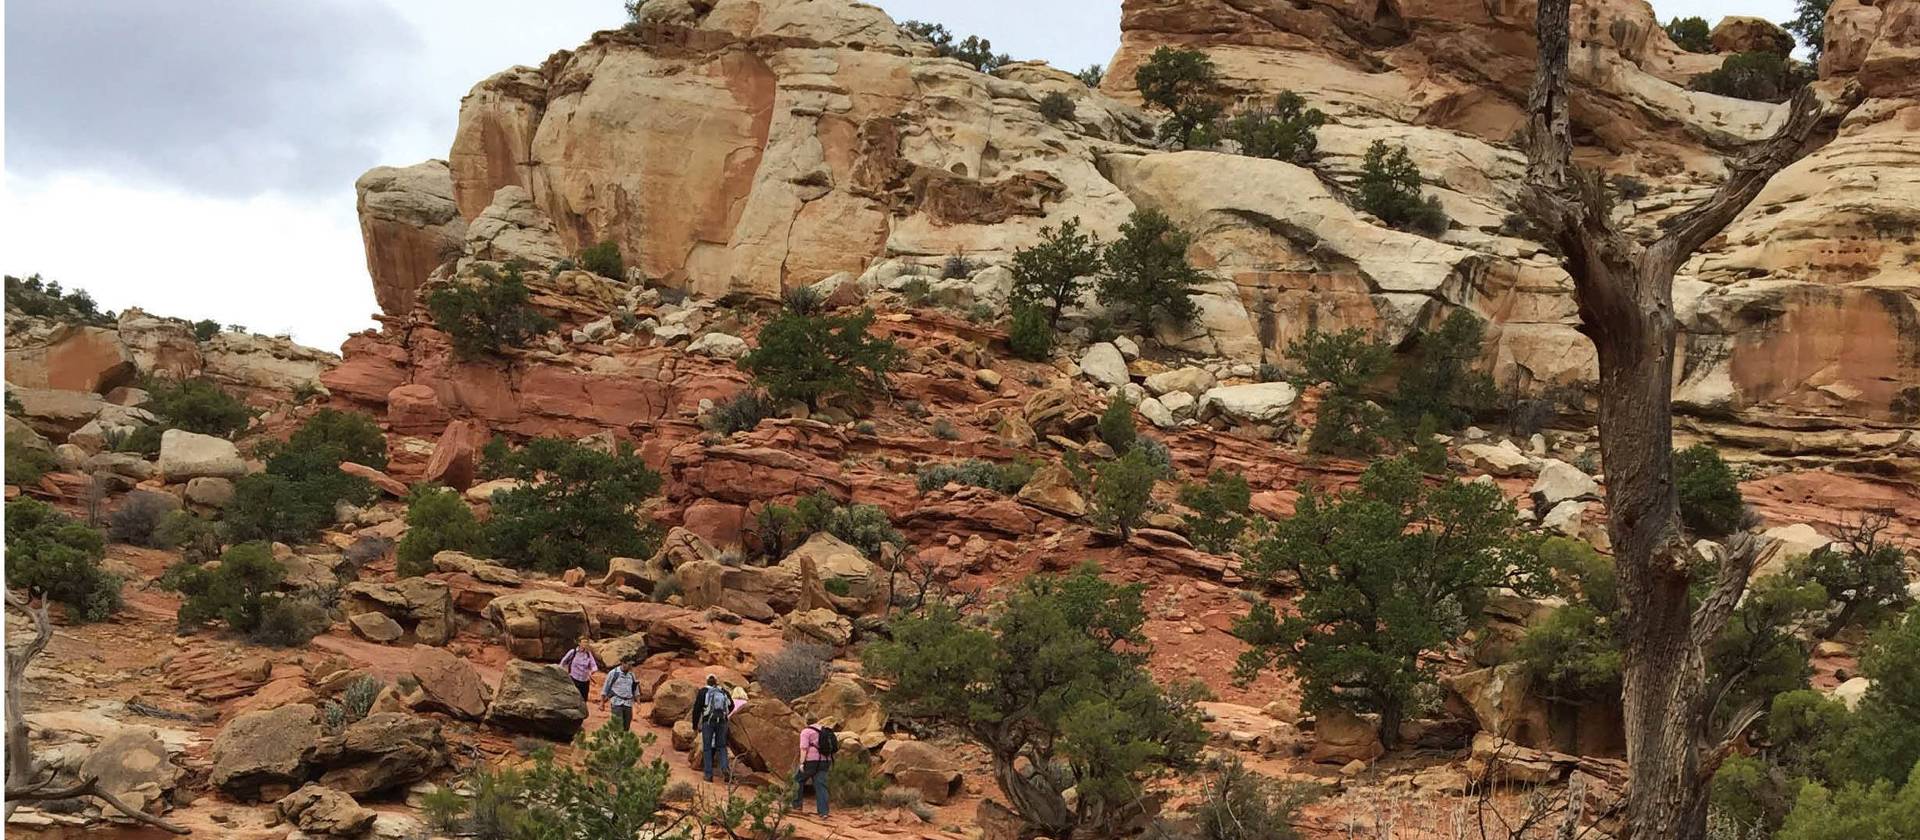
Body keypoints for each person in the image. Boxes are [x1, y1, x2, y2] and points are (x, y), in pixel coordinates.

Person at [791, 716, 833, 818]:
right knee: (820, 785)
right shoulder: (824, 730)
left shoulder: (806, 731)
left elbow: (804, 749)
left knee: (798, 780)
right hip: (825, 761)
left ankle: (796, 806)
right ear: (817, 720)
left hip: (811, 761)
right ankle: (823, 812)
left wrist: (802, 763)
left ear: (806, 721)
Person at [700, 676, 733, 782]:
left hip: (709, 721)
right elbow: (731, 705)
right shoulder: (723, 692)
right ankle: (725, 768)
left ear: (707, 682)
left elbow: (699, 707)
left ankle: (708, 774)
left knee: (707, 747)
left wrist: (698, 722)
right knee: (722, 747)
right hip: (722, 722)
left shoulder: (705, 692)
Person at [599, 657, 639, 730]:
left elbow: (635, 689)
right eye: (628, 664)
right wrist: (602, 703)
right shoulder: (613, 673)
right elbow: (605, 688)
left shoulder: (631, 675)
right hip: (616, 702)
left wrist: (638, 703)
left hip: (628, 703)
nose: (630, 666)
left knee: (626, 726)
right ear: (623, 663)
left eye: (631, 665)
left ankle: (623, 740)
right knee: (617, 725)